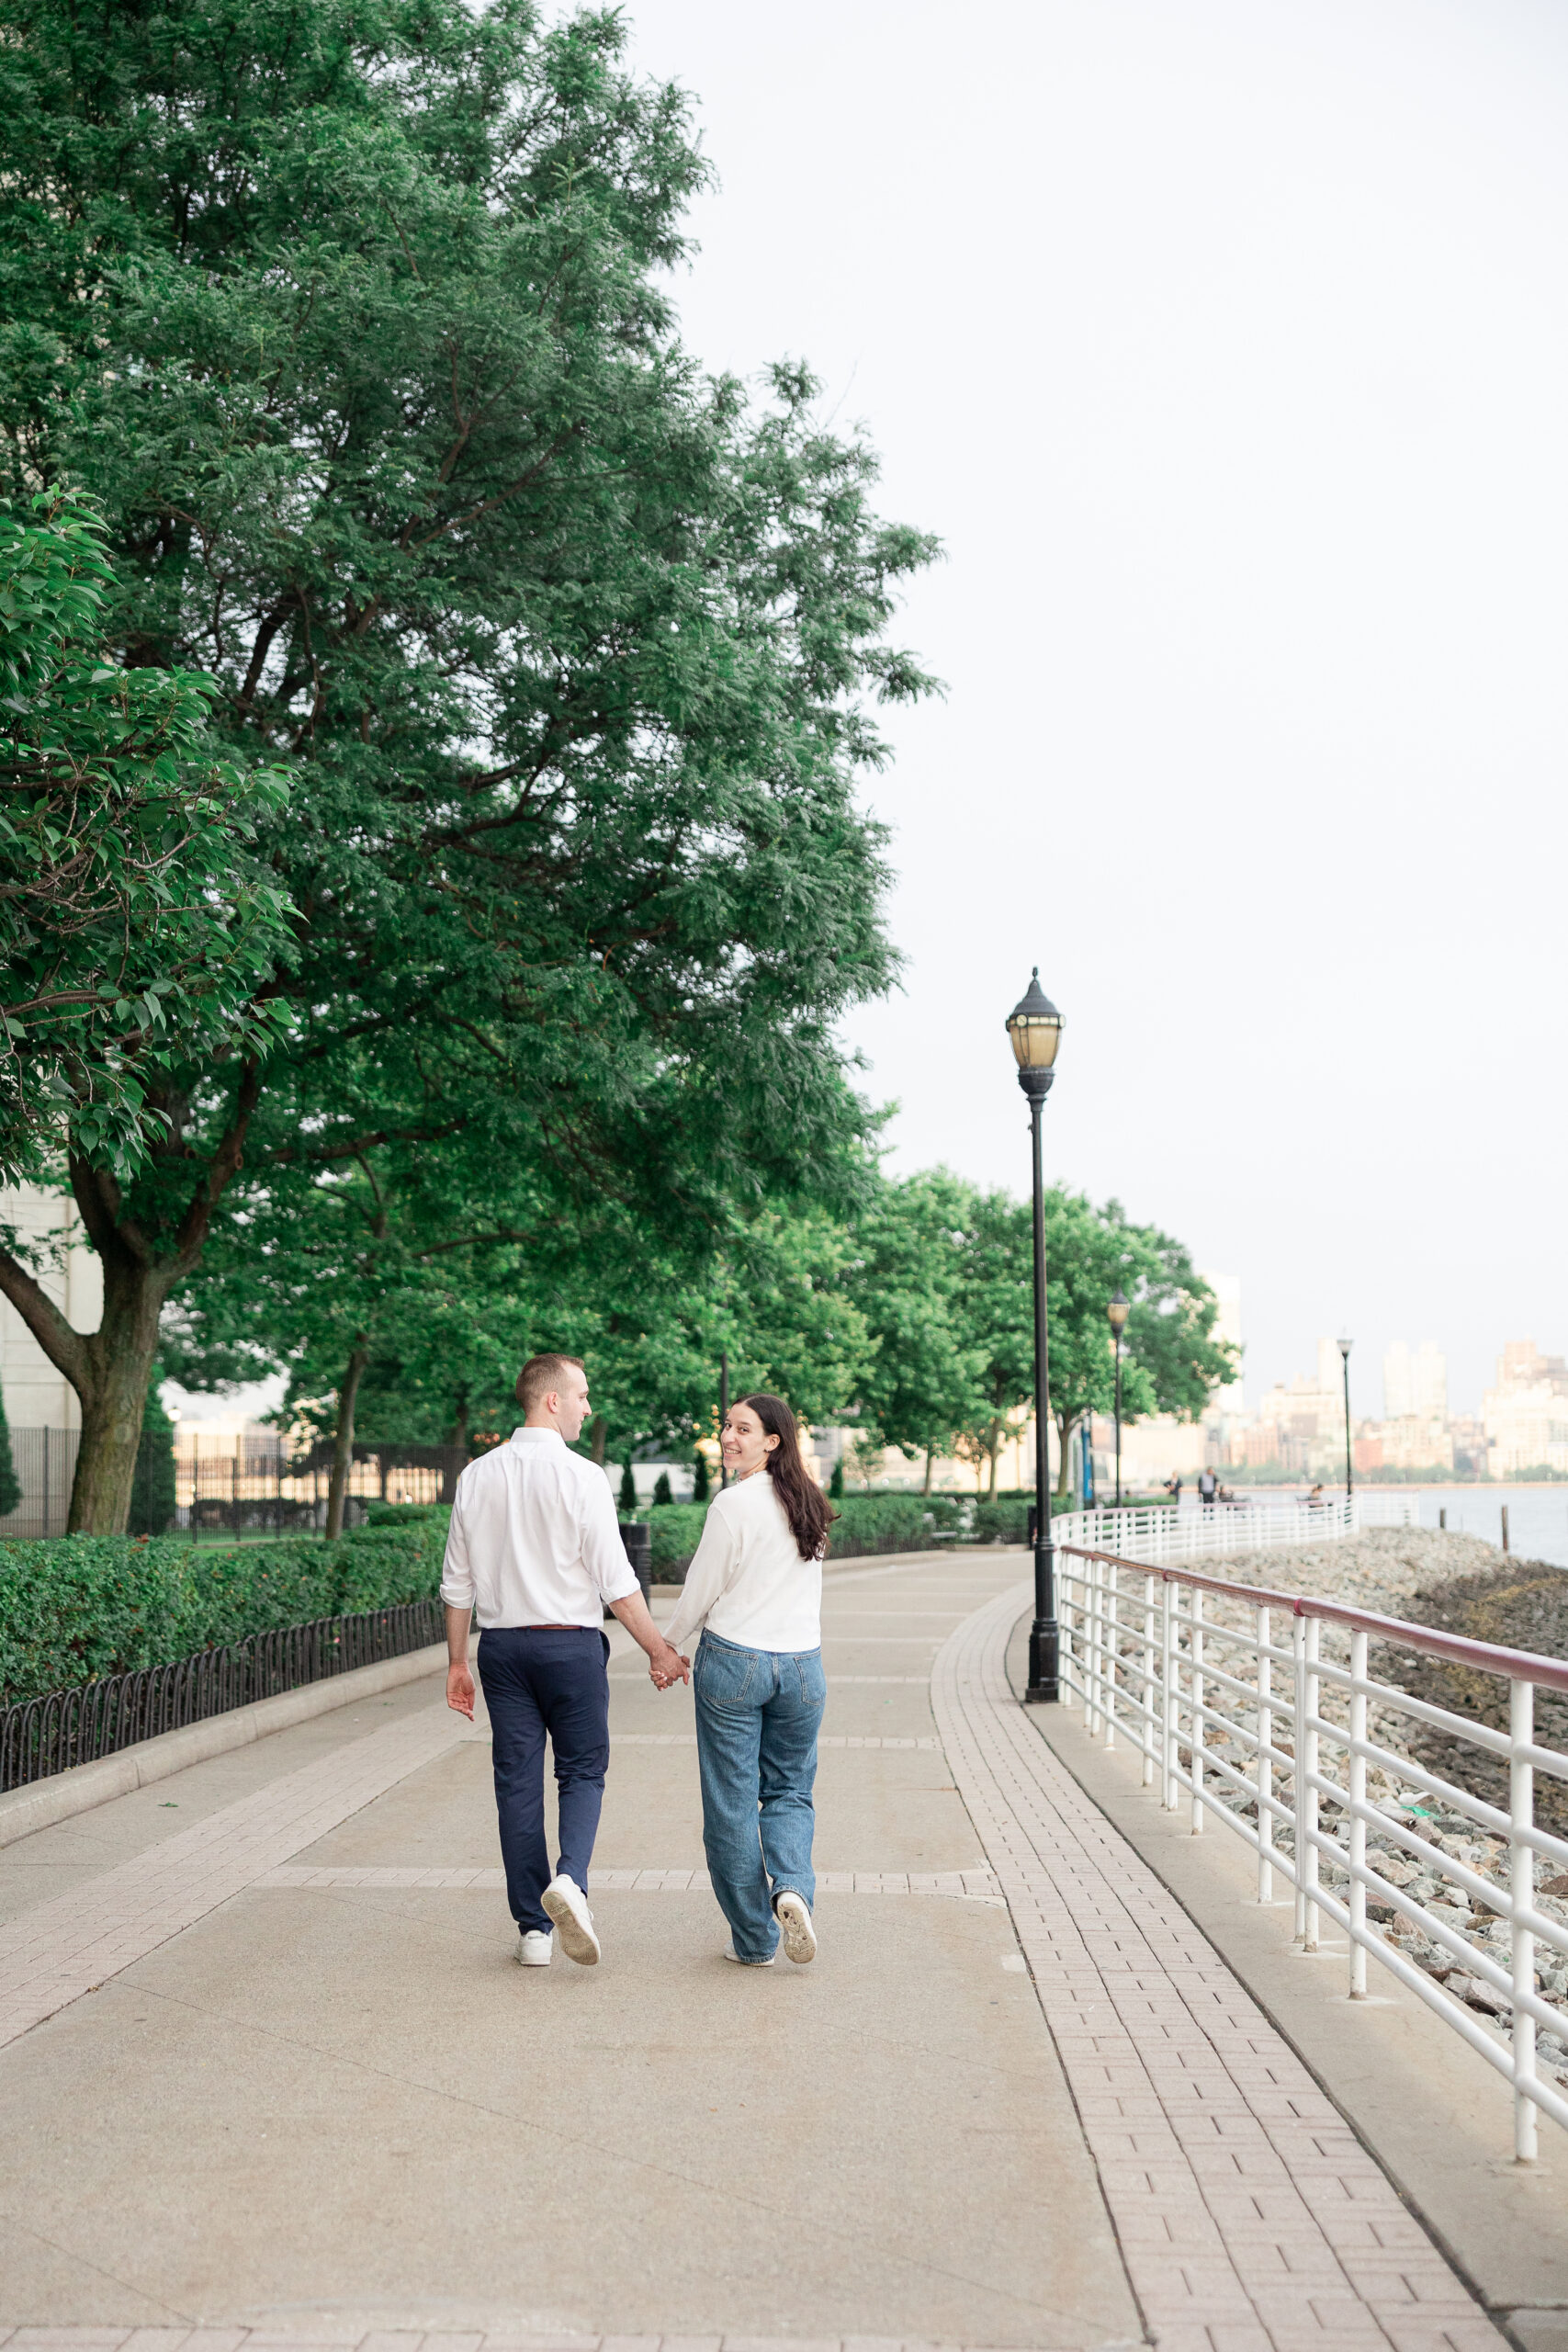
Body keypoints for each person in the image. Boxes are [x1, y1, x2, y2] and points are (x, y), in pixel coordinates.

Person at [442, 1352, 688, 1969]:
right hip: (570, 1647)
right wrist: (659, 1650)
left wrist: (456, 1663)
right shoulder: (582, 1478)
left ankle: (532, 1930)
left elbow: (456, 1584)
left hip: (502, 1650)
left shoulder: (477, 1475)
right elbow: (615, 1579)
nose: (587, 1406)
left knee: (515, 1783)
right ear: (550, 1399)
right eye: (580, 1394)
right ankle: (570, 1882)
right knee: (580, 1772)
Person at [658, 1392, 831, 1968]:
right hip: (803, 1667)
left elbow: (701, 1588)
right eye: (726, 1427)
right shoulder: (810, 1502)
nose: (729, 1437)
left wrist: (667, 1647)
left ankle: (756, 1941)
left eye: (743, 1429)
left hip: (736, 1662)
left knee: (732, 1805)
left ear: (772, 1441)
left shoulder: (733, 1505)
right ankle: (791, 1890)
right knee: (789, 1791)